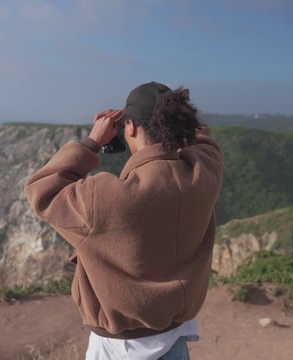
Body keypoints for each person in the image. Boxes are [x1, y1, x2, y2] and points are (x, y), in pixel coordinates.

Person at [24, 81, 223, 359]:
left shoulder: (104, 197)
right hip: (175, 340)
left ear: (129, 127)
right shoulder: (204, 172)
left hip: (117, 349)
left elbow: (41, 188)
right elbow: (202, 138)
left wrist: (92, 141)